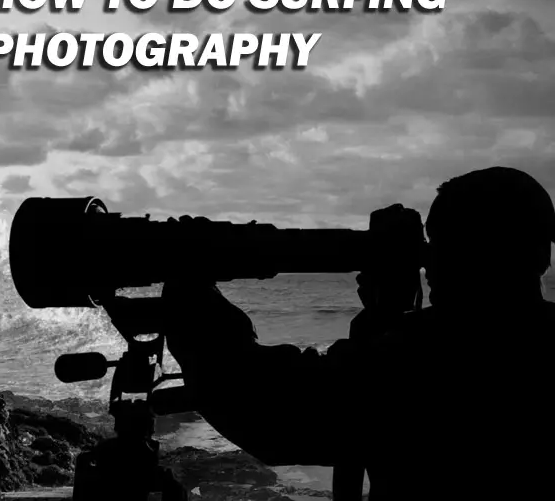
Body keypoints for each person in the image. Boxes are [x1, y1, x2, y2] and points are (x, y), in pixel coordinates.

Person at [161, 167, 555, 500]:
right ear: (541, 255)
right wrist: (384, 320)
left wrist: (188, 279)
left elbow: (262, 407)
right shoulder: (430, 349)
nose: (427, 261)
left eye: (442, 244)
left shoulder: (418, 356)